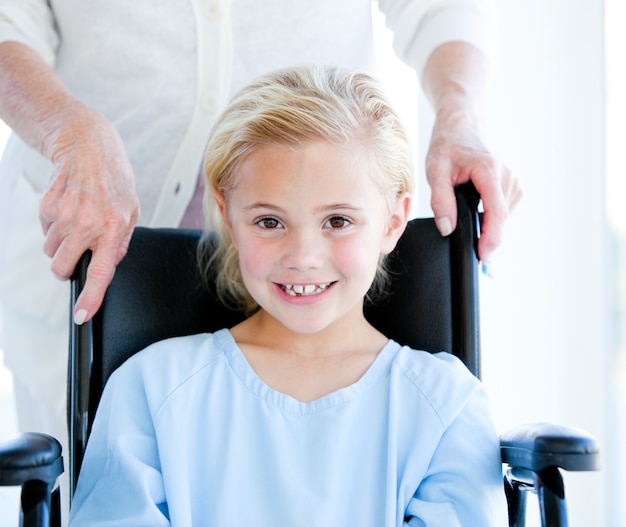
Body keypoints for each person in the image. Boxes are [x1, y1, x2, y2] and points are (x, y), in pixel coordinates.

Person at [0, 1, 521, 518]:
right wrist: (68, 130)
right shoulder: (150, 391)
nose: (303, 256)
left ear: (392, 221)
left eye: (337, 221)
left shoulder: (444, 406)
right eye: (270, 222)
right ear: (227, 217)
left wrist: (459, 113)